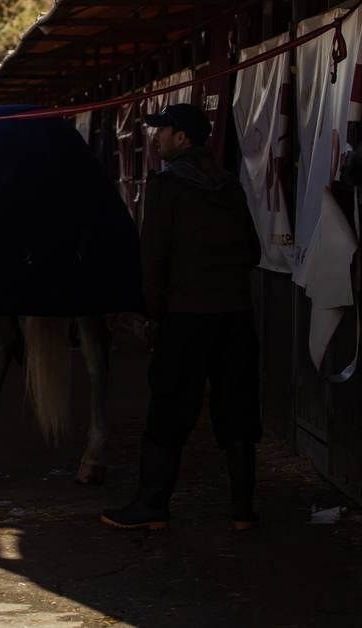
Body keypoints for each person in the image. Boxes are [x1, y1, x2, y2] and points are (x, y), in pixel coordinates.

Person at [102, 102, 264, 532]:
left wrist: (150, 312)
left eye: (163, 131)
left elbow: (153, 258)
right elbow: (253, 251)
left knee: (169, 411)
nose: (155, 138)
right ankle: (243, 511)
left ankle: (152, 504)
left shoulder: (166, 188)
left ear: (183, 138)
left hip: (186, 318)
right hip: (235, 316)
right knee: (238, 410)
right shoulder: (228, 185)